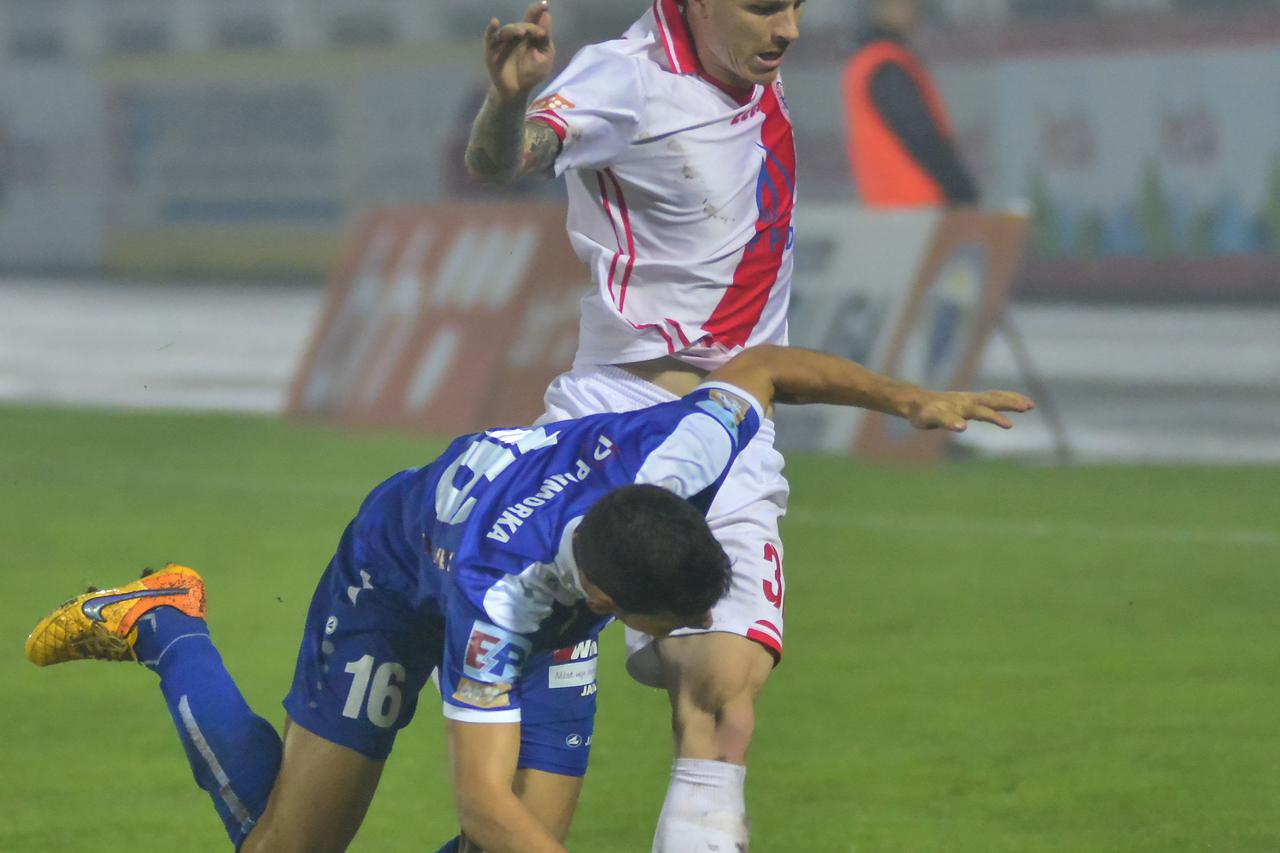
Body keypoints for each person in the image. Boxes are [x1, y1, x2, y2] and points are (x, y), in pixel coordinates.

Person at [25, 344, 1033, 853]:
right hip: (395, 567)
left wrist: (908, 399)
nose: (670, 639)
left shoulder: (673, 454)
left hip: (534, 575)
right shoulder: (497, 606)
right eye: (659, 623)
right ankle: (162, 619)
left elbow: (764, 369)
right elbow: (480, 797)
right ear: (604, 596)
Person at [465, 0, 811, 848]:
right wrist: (509, 102)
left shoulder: (750, 77)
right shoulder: (628, 77)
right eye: (766, 6)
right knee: (517, 783)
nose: (789, 29)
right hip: (610, 428)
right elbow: (504, 159)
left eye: (798, 4)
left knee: (725, 699)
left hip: (730, 430)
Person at [842, 0, 980, 207]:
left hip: (890, 209)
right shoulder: (885, 66)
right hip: (918, 209)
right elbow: (922, 137)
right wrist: (962, 191)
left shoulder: (867, 63)